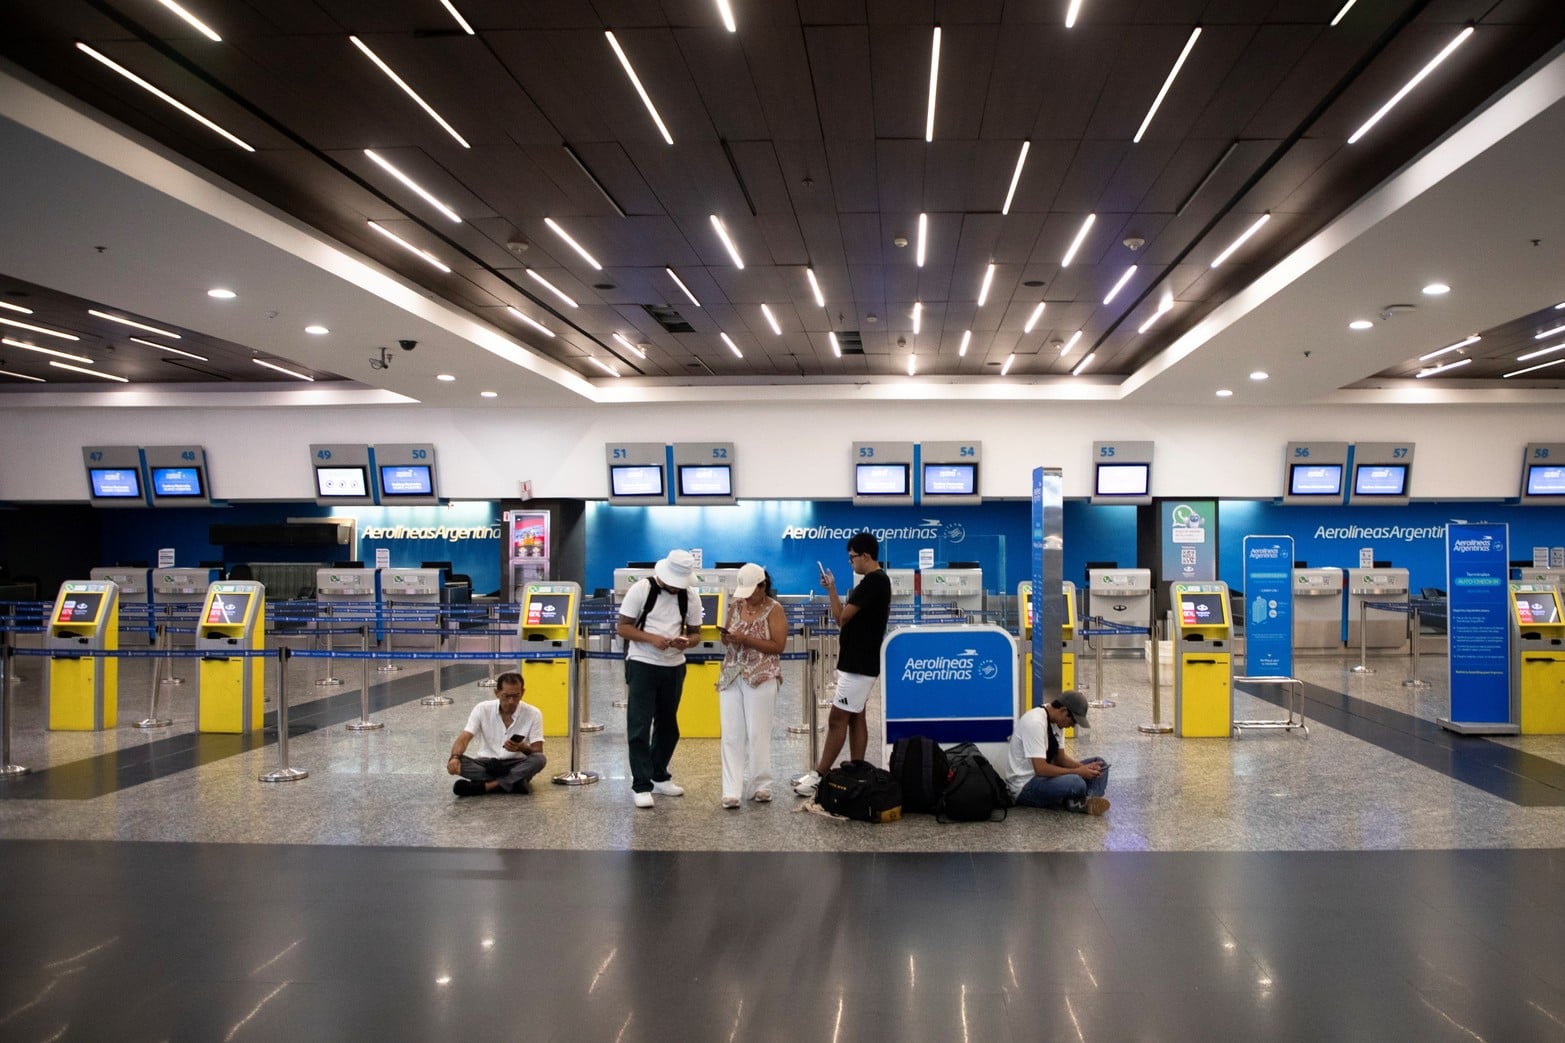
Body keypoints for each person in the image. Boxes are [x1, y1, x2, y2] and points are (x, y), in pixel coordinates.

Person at [794, 531, 892, 797]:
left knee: (837, 718)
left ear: (866, 556)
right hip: (856, 661)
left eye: (852, 558)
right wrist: (832, 589)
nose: (851, 562)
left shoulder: (874, 582)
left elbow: (844, 617)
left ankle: (820, 773)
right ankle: (857, 767)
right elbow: (840, 618)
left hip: (860, 664)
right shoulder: (870, 582)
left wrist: (836, 594)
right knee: (854, 715)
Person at [618, 549, 704, 808]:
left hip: (674, 666)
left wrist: (686, 642)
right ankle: (641, 784)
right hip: (643, 664)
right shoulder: (642, 590)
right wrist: (652, 639)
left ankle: (659, 774)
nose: (676, 588)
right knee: (639, 725)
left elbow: (697, 633)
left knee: (668, 725)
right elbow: (623, 627)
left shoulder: (691, 597)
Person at [716, 563, 788, 808]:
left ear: (762, 586)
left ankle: (761, 785)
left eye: (751, 591)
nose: (746, 597)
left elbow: (778, 646)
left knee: (758, 733)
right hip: (732, 673)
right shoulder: (736, 606)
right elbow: (726, 639)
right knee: (731, 733)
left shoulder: (774, 610)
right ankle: (731, 790)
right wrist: (726, 638)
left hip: (761, 675)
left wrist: (746, 639)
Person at [1005, 689, 1110, 815]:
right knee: (1076, 782)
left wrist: (1084, 767)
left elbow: (1061, 759)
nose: (1072, 726)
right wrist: (1078, 771)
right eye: (1073, 722)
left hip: (1044, 778)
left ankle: (1086, 800)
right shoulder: (1035, 723)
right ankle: (1079, 800)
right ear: (1063, 711)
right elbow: (1040, 769)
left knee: (1100, 764)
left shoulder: (1057, 722)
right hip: (1026, 785)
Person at [445, 672, 546, 796]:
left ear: (523, 692)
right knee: (458, 760)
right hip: (487, 763)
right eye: (506, 696)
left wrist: (521, 747)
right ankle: (514, 783)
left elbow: (538, 750)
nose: (511, 701)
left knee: (539, 760)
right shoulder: (482, 708)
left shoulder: (533, 713)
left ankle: (488, 786)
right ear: (496, 693)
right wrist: (454, 758)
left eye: (516, 696)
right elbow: (465, 737)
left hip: (516, 763)